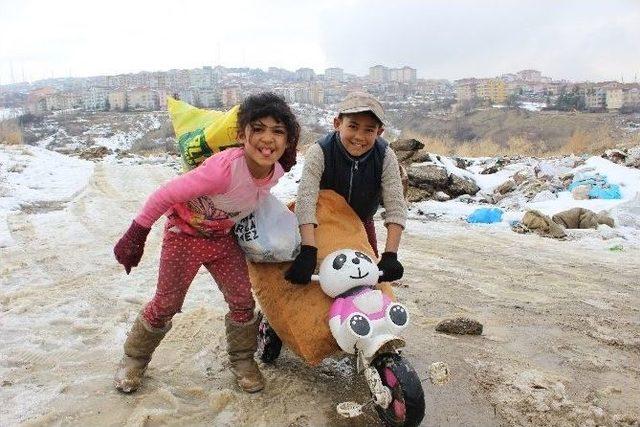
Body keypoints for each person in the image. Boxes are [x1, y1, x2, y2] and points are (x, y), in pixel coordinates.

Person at [112, 92, 300, 394]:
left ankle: (242, 361)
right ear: (242, 134)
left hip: (222, 239)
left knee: (242, 301)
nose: (268, 139)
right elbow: (165, 194)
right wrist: (137, 233)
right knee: (165, 305)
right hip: (184, 236)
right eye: (259, 129)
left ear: (289, 139)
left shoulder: (275, 170)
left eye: (278, 132)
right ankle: (134, 359)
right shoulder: (222, 169)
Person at [285, 91, 407, 285]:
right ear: (337, 124)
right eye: (353, 126)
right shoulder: (320, 151)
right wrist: (308, 249)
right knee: (324, 279)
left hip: (362, 222)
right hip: (323, 223)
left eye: (369, 130)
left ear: (379, 132)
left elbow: (396, 205)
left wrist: (391, 254)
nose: (359, 136)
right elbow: (306, 200)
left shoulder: (385, 156)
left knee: (368, 278)